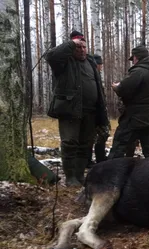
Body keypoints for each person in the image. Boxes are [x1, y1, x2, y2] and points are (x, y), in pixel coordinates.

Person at [46, 31, 108, 187]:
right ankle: (70, 177)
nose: (82, 50)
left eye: (84, 47)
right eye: (78, 47)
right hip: (70, 110)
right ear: (72, 48)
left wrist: (103, 115)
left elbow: (98, 89)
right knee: (70, 143)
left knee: (85, 144)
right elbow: (51, 56)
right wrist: (72, 43)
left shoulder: (91, 63)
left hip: (91, 112)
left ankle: (80, 176)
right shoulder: (63, 63)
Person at [108, 45, 149, 159]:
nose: (133, 62)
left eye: (133, 59)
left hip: (134, 118)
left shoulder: (138, 72)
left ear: (136, 57)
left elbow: (123, 89)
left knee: (119, 145)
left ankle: (112, 173)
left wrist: (116, 87)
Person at [86, 54, 111, 167]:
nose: (101, 67)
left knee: (99, 136)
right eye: (100, 65)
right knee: (95, 137)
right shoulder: (91, 76)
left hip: (97, 112)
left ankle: (98, 159)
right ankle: (95, 160)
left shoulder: (94, 75)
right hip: (94, 112)